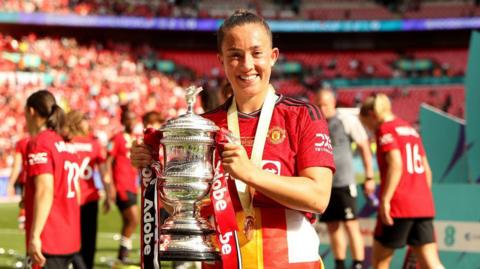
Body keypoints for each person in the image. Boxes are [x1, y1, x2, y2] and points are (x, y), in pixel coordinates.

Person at [131, 10, 335, 268]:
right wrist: (152, 169)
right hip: (222, 261)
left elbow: (318, 197)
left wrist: (251, 174)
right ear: (222, 60)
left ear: (273, 57)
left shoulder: (302, 115)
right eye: (235, 55)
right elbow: (184, 207)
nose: (247, 65)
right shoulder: (206, 127)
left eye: (256, 53)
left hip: (291, 262)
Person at [359, 94, 444, 269]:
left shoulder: (385, 129)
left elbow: (395, 164)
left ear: (372, 115)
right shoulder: (410, 130)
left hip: (399, 206)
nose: (368, 129)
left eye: (366, 123)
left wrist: (385, 200)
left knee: (380, 260)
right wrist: (421, 198)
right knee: (430, 261)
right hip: (422, 204)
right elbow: (427, 171)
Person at [315, 88, 375, 269]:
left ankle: (358, 264)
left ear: (333, 103)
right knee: (332, 227)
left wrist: (369, 176)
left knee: (351, 225)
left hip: (344, 182)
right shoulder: (315, 123)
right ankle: (339, 264)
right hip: (325, 185)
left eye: (324, 104)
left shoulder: (346, 120)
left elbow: (364, 146)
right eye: (318, 105)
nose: (321, 108)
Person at [24, 90, 81, 268]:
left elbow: (45, 190)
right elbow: (76, 192)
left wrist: (34, 236)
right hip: (69, 234)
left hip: (50, 236)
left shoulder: (40, 142)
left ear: (31, 111)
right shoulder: (65, 144)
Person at [63, 110, 114, 269]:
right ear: (78, 122)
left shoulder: (66, 143)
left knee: (69, 240)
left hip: (70, 197)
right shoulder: (94, 144)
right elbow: (104, 172)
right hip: (89, 198)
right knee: (89, 241)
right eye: (85, 120)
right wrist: (108, 194)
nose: (88, 124)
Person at [105, 105, 140, 263]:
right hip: (121, 185)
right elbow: (108, 161)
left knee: (130, 220)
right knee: (133, 219)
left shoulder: (134, 138)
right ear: (123, 120)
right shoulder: (117, 138)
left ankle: (122, 255)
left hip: (132, 185)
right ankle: (122, 254)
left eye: (133, 118)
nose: (131, 121)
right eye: (128, 118)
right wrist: (110, 185)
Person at [7, 135, 29, 229]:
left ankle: (23, 222)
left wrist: (10, 184)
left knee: (25, 203)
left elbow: (16, 166)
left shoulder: (22, 142)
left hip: (26, 178)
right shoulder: (47, 140)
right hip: (42, 177)